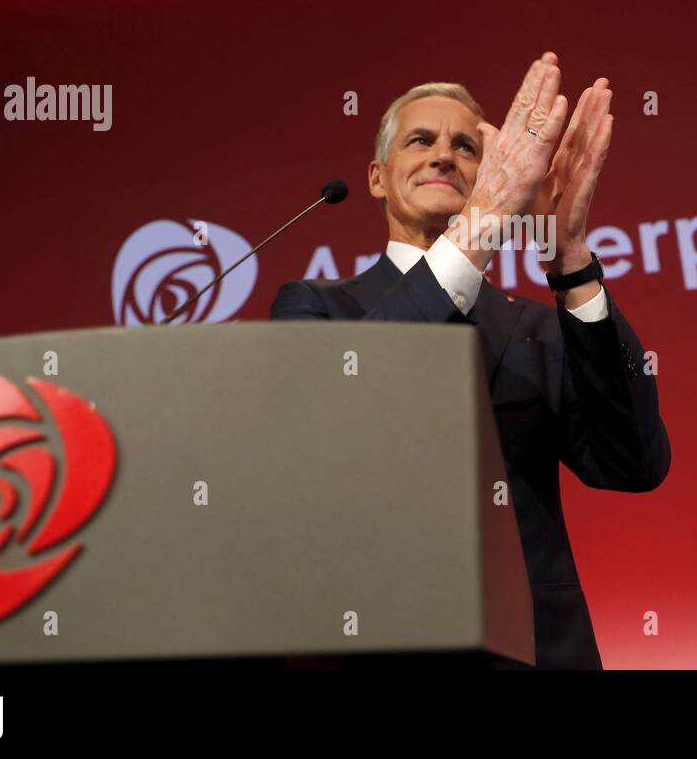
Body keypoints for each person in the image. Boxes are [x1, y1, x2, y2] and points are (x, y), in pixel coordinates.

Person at [270, 51, 670, 668]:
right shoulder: (316, 308)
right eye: (420, 140)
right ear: (377, 177)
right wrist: (481, 228)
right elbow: (333, 423)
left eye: (465, 147)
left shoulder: (538, 326)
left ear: (490, 175)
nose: (442, 155)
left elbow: (633, 463)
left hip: (535, 651)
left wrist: (569, 257)